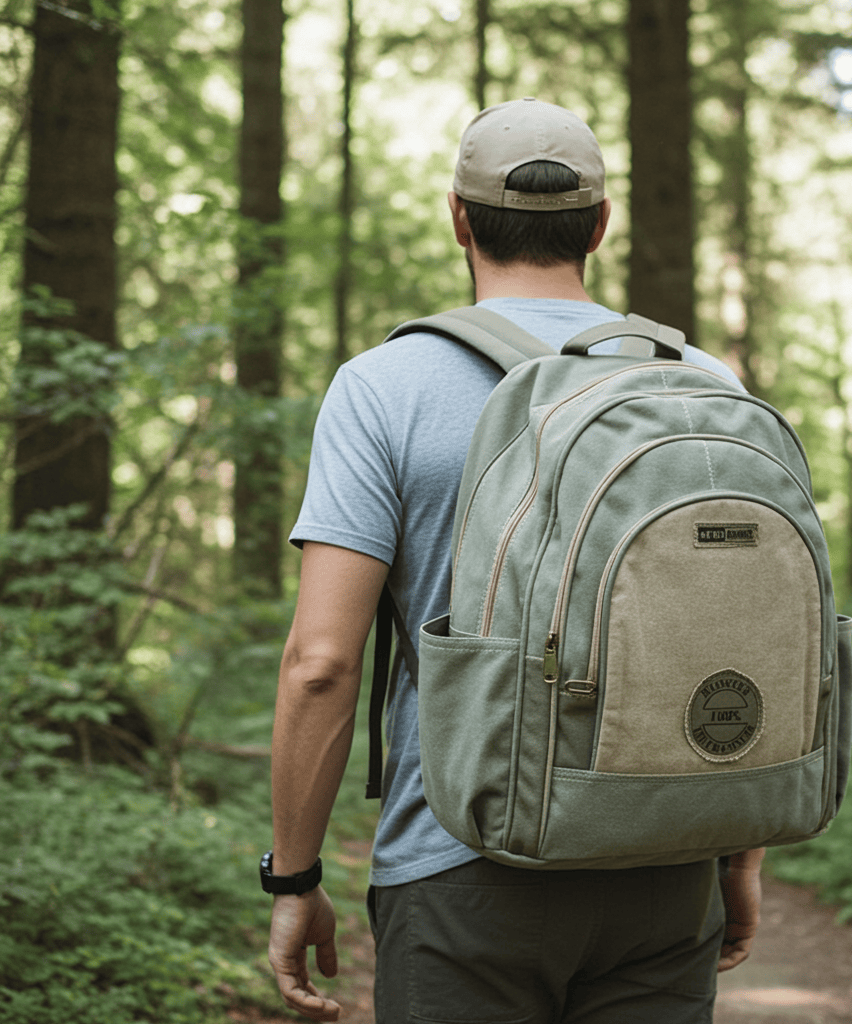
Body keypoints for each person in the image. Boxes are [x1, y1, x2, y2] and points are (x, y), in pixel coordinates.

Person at [266, 97, 766, 1024]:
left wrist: (293, 876)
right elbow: (733, 629)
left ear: (457, 215)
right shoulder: (706, 385)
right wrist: (737, 852)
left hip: (460, 864)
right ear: (600, 225)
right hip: (663, 865)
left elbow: (323, 664)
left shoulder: (384, 389)